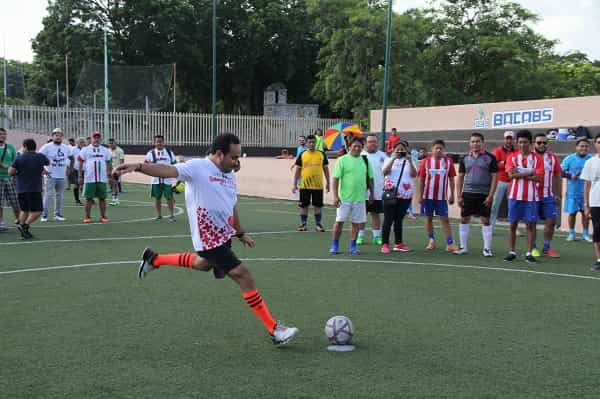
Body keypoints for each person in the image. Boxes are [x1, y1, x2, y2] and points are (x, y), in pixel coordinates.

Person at [113, 133, 299, 346]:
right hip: (208, 237)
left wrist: (239, 232)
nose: (238, 163)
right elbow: (168, 170)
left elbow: (231, 205)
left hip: (224, 234)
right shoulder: (197, 167)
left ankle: (154, 259)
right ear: (219, 154)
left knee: (202, 265)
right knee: (243, 275)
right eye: (234, 157)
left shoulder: (229, 173)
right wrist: (138, 167)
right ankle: (274, 329)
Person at [454, 133, 498, 257]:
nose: (475, 144)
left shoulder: (490, 158)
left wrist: (490, 195)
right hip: (468, 193)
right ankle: (463, 247)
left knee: (485, 220)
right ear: (470, 143)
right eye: (473, 141)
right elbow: (460, 177)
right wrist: (459, 195)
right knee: (464, 218)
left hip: (484, 194)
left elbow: (495, 177)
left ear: (482, 142)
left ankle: (487, 249)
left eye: (478, 141)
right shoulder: (464, 158)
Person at [504, 130, 544, 263]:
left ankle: (529, 253)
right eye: (520, 142)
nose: (522, 145)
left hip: (531, 197)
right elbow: (510, 175)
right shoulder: (512, 157)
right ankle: (512, 252)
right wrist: (529, 172)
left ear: (530, 143)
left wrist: (519, 172)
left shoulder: (537, 158)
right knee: (512, 224)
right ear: (517, 143)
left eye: (525, 142)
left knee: (530, 226)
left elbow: (538, 178)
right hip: (515, 196)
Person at [329, 137, 374, 255]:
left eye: (359, 146)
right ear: (349, 147)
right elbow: (335, 179)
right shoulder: (342, 160)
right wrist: (335, 196)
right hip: (344, 199)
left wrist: (372, 194)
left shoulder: (365, 160)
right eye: (355, 146)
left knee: (356, 223)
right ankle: (335, 244)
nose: (357, 148)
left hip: (360, 199)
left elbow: (370, 179)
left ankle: (353, 246)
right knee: (339, 222)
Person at [417, 139, 459, 251]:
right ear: (432, 149)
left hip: (441, 197)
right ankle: (431, 241)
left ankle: (450, 243)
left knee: (445, 219)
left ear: (443, 149)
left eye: (441, 148)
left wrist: (452, 195)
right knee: (428, 219)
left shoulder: (448, 162)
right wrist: (420, 195)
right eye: (437, 148)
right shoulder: (426, 162)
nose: (439, 150)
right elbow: (421, 179)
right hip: (427, 196)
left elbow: (451, 179)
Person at [8, 139, 49, 239]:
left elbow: (10, 171)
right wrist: (40, 169)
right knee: (38, 211)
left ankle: (23, 230)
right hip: (34, 188)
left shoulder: (20, 157)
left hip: (21, 188)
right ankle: (24, 226)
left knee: (24, 210)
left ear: (25, 147)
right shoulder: (40, 156)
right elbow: (47, 163)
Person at [380, 140, 416, 253]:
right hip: (391, 193)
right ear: (393, 150)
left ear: (406, 150)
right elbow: (385, 172)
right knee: (388, 219)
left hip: (405, 195)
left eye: (402, 149)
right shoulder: (388, 159)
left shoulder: (411, 160)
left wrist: (410, 161)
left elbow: (414, 174)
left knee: (399, 220)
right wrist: (393, 159)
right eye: (398, 149)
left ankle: (398, 243)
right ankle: (385, 244)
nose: (400, 151)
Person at [531, 133, 562, 258]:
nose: (542, 145)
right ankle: (532, 247)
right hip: (532, 195)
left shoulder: (552, 157)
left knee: (551, 221)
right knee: (531, 222)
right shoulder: (529, 157)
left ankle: (546, 247)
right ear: (534, 143)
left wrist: (559, 194)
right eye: (539, 142)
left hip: (548, 195)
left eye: (544, 142)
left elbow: (557, 176)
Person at [292, 134, 330, 232]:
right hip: (305, 185)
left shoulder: (322, 154)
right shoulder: (303, 154)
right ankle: (303, 224)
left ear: (316, 143)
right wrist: (294, 184)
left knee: (318, 206)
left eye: (313, 142)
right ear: (307, 143)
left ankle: (318, 225)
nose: (312, 144)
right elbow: (297, 170)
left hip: (318, 186)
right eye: (310, 142)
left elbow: (326, 169)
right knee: (304, 206)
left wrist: (328, 183)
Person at [561, 138, 593, 242]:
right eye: (581, 146)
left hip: (587, 193)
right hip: (572, 192)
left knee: (586, 214)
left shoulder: (591, 159)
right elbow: (560, 172)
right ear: (576, 147)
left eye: (586, 146)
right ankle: (571, 233)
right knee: (572, 213)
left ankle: (585, 233)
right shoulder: (569, 159)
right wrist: (570, 176)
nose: (584, 148)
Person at [358, 133, 386, 245]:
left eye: (374, 141)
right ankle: (360, 236)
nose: (373, 144)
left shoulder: (383, 156)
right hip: (362, 192)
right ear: (365, 143)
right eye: (370, 142)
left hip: (378, 192)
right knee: (361, 214)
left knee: (376, 214)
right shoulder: (360, 155)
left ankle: (376, 237)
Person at [78, 131, 112, 223]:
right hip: (89, 178)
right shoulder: (85, 150)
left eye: (98, 138)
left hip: (102, 178)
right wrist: (80, 176)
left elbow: (109, 162)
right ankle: (87, 216)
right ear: (91, 139)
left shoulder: (105, 150)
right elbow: (80, 162)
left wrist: (110, 175)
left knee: (102, 198)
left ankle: (104, 216)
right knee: (89, 198)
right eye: (94, 137)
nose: (96, 139)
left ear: (100, 139)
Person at [39, 128, 70, 221]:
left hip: (61, 175)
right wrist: (43, 169)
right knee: (48, 195)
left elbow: (72, 157)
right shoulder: (46, 146)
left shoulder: (66, 147)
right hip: (50, 175)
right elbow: (38, 158)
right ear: (52, 136)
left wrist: (70, 169)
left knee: (59, 195)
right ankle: (44, 215)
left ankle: (58, 214)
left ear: (62, 137)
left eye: (60, 135)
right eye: (56, 135)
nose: (58, 137)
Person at [145, 135, 177, 221]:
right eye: (157, 141)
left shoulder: (169, 152)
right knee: (157, 198)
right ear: (154, 142)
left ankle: (171, 215)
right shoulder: (150, 153)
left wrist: (176, 179)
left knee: (169, 198)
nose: (159, 143)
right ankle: (159, 215)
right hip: (155, 180)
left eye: (161, 141)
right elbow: (146, 165)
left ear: (164, 142)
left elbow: (175, 164)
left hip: (167, 180)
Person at [581, 134, 600, 270]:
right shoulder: (590, 162)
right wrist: (586, 205)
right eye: (599, 142)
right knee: (598, 231)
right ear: (595, 144)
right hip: (595, 203)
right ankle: (599, 259)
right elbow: (587, 185)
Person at [490, 131, 516, 227]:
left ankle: (513, 227)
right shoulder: (497, 151)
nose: (509, 140)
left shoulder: (517, 152)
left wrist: (503, 163)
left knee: (512, 206)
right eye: (507, 138)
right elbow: (493, 165)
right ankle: (490, 226)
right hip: (500, 181)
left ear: (514, 140)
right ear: (504, 139)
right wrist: (505, 164)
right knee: (494, 205)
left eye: (511, 138)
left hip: (513, 182)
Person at [0, 128, 20, 231]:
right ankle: (1, 222)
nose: (2, 136)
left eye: (4, 134)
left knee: (15, 201)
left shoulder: (10, 147)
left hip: (10, 178)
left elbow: (15, 162)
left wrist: (14, 175)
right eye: (0, 134)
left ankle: (19, 220)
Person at [68, 137, 86, 206]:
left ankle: (89, 199)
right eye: (80, 142)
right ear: (77, 143)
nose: (82, 143)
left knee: (85, 184)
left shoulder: (86, 149)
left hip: (85, 170)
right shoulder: (72, 149)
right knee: (77, 184)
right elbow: (69, 159)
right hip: (75, 170)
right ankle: (77, 200)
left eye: (83, 142)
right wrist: (70, 168)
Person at [108, 138, 125, 205]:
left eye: (112, 143)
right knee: (112, 185)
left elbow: (122, 162)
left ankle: (116, 200)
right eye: (110, 143)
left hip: (116, 170)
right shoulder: (108, 151)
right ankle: (114, 199)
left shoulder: (120, 151)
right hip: (109, 170)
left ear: (115, 143)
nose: (111, 144)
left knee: (115, 185)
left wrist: (120, 170)